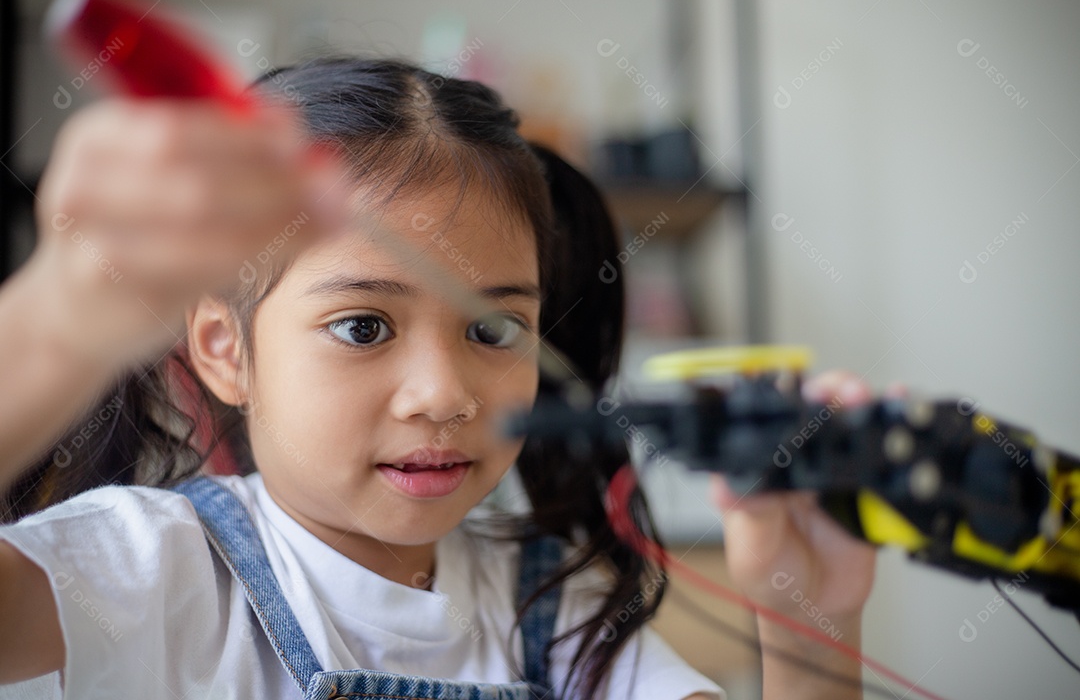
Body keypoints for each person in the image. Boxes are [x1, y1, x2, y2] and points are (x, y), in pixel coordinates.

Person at [0, 57, 874, 699]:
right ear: (226, 349)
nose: (444, 395)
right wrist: (51, 324)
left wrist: (815, 627)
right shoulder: (144, 572)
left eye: (493, 330)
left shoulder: (556, 606)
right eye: (363, 327)